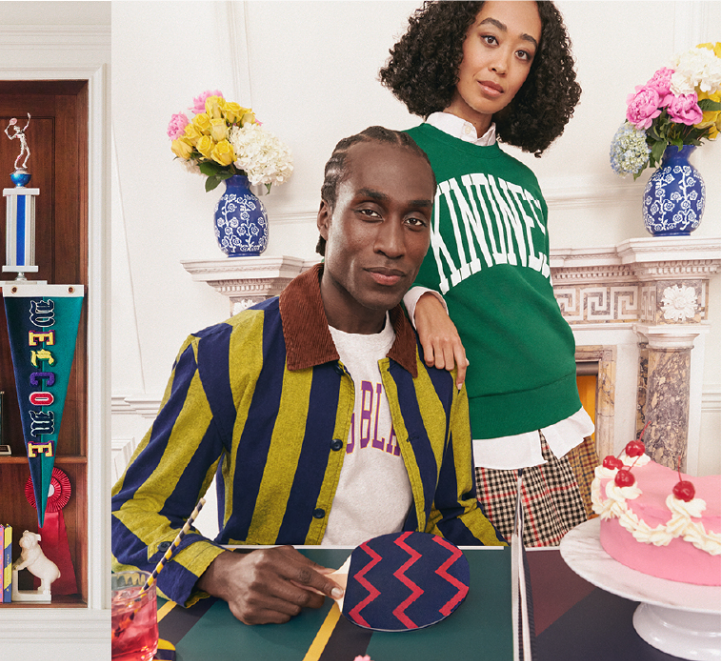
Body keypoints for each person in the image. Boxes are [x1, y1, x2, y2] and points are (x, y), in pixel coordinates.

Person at [112, 127, 503, 626]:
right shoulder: (226, 354)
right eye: (369, 212)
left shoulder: (438, 364)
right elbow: (132, 512)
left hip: (403, 611)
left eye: (415, 220)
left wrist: (508, 598)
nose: (393, 244)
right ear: (325, 219)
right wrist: (220, 570)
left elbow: (455, 511)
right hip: (273, 626)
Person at [379, 0, 592, 547]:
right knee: (494, 605)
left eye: (523, 54)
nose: (503, 65)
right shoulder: (400, 156)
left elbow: (529, 292)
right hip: (483, 430)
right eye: (490, 39)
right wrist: (422, 299)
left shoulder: (523, 179)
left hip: (565, 416)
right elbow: (365, 259)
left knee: (569, 603)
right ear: (452, 40)